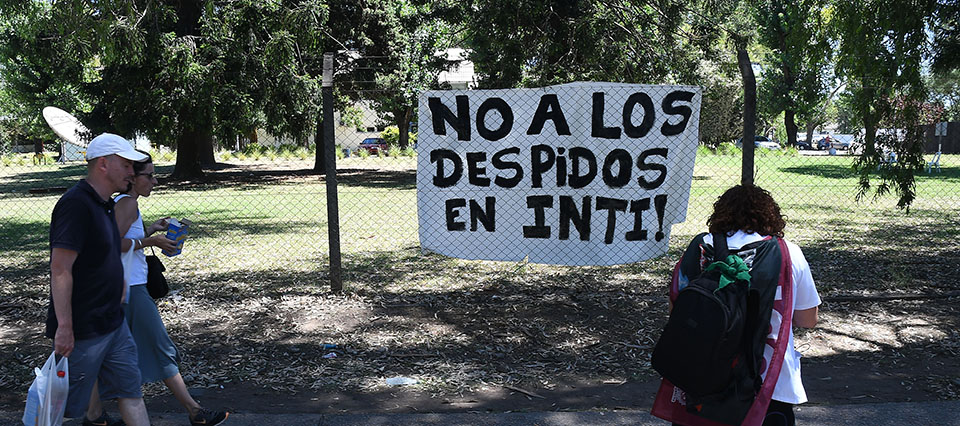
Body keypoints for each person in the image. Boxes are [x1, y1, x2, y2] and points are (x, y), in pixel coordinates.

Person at [652, 185, 821, 426]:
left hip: (699, 376)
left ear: (720, 214)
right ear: (770, 217)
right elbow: (807, 320)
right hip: (767, 381)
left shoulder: (699, 248)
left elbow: (676, 311)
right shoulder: (788, 253)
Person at [106, 152, 229, 426]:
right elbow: (111, 243)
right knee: (161, 347)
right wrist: (152, 241)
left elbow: (124, 237)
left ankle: (94, 415)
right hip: (132, 289)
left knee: (116, 353)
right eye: (148, 175)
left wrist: (150, 231)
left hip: (125, 287)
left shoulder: (124, 203)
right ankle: (195, 412)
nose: (154, 180)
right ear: (131, 178)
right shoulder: (127, 204)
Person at [47, 133, 151, 426]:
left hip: (113, 322)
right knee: (66, 410)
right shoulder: (76, 205)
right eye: (127, 165)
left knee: (132, 393)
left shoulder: (106, 203)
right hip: (83, 329)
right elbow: (60, 268)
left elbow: (105, 253)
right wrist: (65, 328)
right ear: (103, 164)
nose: (132, 172)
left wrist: (117, 283)